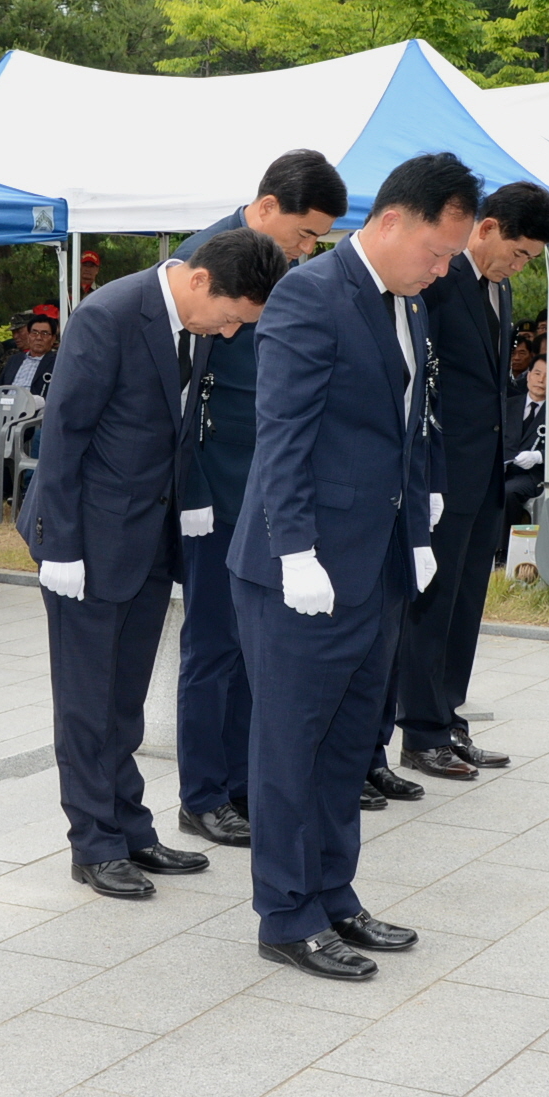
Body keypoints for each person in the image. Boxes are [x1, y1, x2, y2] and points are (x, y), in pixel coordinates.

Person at [230, 151, 478, 982]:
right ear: (391, 221)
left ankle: (333, 893)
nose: (442, 270)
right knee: (290, 747)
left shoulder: (407, 302)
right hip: (303, 569)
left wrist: (417, 525)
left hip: (374, 563)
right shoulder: (310, 292)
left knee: (346, 745)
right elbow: (282, 434)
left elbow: (408, 424)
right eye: (436, 252)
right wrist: (295, 550)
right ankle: (286, 913)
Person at [22, 227, 287, 900]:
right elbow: (64, 434)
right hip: (86, 540)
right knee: (87, 704)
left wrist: (191, 498)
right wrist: (61, 546)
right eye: (230, 318)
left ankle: (130, 826)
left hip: (147, 536)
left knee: (125, 700)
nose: (230, 332)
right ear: (200, 281)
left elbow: (181, 423)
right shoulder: (109, 315)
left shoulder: (195, 324)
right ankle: (93, 843)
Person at [169, 150, 348, 848]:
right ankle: (202, 793)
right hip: (217, 491)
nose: (308, 249)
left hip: (270, 492)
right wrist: (193, 490)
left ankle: (244, 780)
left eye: (318, 240)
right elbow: (180, 396)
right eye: (304, 233)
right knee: (213, 646)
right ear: (267, 207)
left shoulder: (288, 271)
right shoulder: (203, 263)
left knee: (256, 648)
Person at [387, 180, 549, 784]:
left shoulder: (498, 286)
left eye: (530, 259)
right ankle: (420, 730)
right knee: (431, 606)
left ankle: (448, 717)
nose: (519, 266)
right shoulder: (438, 279)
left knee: (465, 606)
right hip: (441, 473)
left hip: (486, 470)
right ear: (486, 228)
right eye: (518, 252)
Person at [504, 358, 549, 531]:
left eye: (548, 376)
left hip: (533, 475)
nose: (541, 380)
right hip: (504, 469)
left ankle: (506, 543)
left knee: (508, 491)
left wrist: (539, 456)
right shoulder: (509, 404)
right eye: (537, 373)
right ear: (528, 376)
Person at [0, 315, 60, 395]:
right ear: (29, 336)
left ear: (53, 339)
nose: (39, 338)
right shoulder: (14, 360)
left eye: (44, 333)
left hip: (35, 402)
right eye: (34, 333)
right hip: (8, 401)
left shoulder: (57, 363)